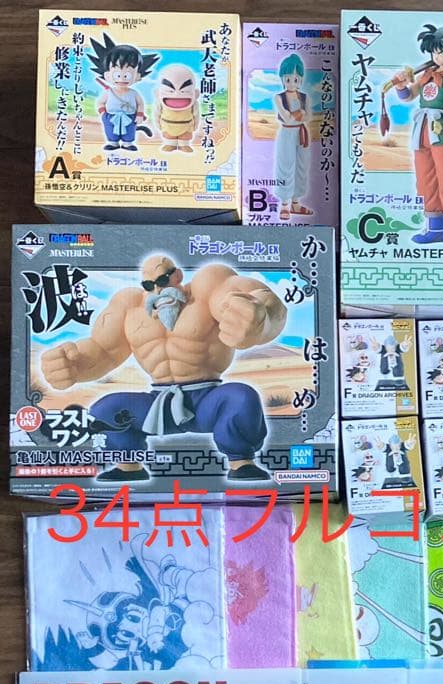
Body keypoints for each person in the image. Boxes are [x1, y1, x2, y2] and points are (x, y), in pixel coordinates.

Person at [40, 254, 287, 483]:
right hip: (158, 405)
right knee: (106, 409)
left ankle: (241, 463)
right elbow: (103, 351)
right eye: (149, 285)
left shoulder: (208, 286)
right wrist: (72, 365)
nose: (157, 290)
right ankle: (128, 466)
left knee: (241, 397)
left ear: (177, 275)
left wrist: (260, 317)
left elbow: (260, 298)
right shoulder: (129, 307)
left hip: (208, 401)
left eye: (162, 280)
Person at [390, 24, 443, 251]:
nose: (436, 56)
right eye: (433, 51)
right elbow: (408, 96)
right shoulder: (426, 75)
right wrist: (401, 86)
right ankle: (435, 230)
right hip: (421, 131)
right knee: (426, 179)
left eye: (440, 51)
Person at [274, 55, 313, 218]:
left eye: (295, 79)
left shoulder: (305, 97)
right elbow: (287, 118)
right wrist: (299, 113)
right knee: (285, 165)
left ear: (300, 80)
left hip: (302, 133)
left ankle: (295, 204)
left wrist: (297, 115)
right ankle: (284, 204)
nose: (292, 83)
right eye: (288, 79)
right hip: (286, 133)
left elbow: (308, 116)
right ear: (283, 79)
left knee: (302, 166)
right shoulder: (279, 97)